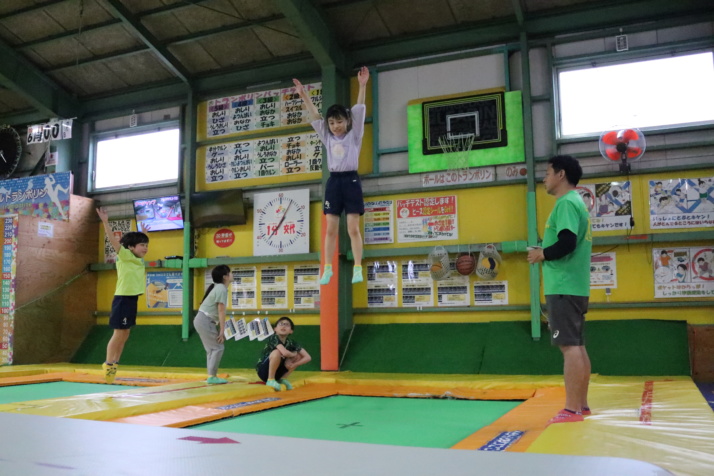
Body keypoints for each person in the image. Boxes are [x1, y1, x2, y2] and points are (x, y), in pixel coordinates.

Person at [527, 155, 593, 424]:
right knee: (577, 345)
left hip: (564, 286)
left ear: (561, 174)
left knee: (569, 347)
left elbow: (567, 242)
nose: (544, 178)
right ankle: (582, 406)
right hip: (574, 285)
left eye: (547, 172)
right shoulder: (577, 202)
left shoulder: (566, 203)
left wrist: (542, 254)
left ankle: (572, 409)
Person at [293, 66, 370, 285]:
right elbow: (315, 115)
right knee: (331, 230)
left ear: (347, 122)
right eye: (332, 123)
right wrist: (304, 95)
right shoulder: (327, 137)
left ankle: (357, 267)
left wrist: (362, 85)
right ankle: (326, 268)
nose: (336, 126)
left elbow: (359, 108)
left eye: (339, 122)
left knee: (353, 228)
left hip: (351, 180)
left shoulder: (354, 135)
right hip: (334, 182)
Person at [97, 207, 150, 384]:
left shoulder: (137, 258)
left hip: (132, 298)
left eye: (146, 245)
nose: (146, 248)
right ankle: (108, 362)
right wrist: (105, 222)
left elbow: (137, 245)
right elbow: (114, 242)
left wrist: (142, 235)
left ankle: (114, 364)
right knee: (118, 333)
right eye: (142, 245)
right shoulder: (125, 255)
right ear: (130, 247)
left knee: (125, 333)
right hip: (122, 299)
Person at [194, 265, 231, 384]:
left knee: (211, 349)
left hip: (201, 319)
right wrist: (222, 330)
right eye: (230, 273)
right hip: (205, 319)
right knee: (217, 348)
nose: (232, 274)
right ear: (225, 277)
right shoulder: (221, 289)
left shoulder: (218, 287)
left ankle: (211, 376)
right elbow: (221, 310)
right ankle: (212, 377)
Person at [256, 316, 311, 391]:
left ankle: (282, 378)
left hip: (278, 373)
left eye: (287, 325)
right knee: (277, 352)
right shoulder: (273, 338)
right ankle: (270, 379)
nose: (283, 326)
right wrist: (293, 354)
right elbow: (284, 353)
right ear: (275, 329)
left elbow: (307, 357)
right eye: (281, 324)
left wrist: (294, 364)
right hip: (264, 372)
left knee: (298, 356)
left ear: (291, 331)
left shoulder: (291, 342)